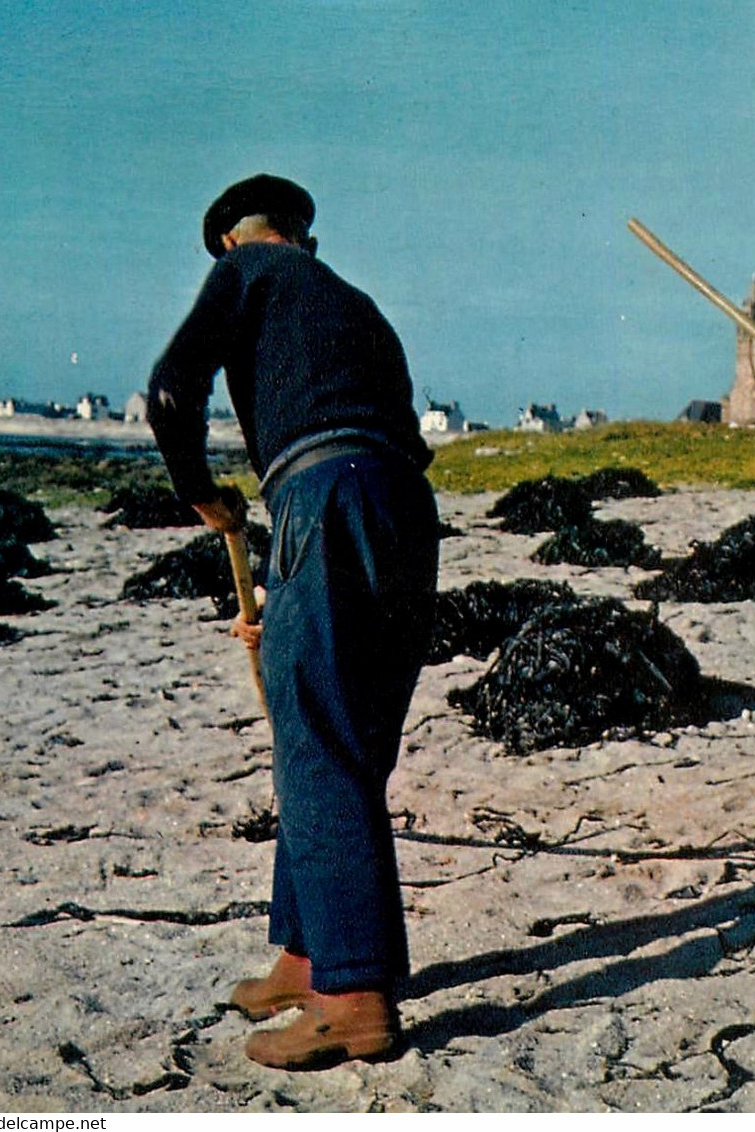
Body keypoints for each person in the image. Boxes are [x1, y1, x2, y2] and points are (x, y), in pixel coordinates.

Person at [147, 174, 439, 1070]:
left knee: (315, 738)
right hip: (406, 509)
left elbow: (170, 390)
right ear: (305, 236)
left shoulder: (248, 273)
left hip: (323, 494)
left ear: (233, 240)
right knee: (347, 737)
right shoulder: (353, 300)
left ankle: (351, 998)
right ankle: (306, 954)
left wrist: (200, 495)